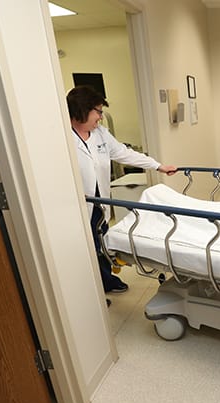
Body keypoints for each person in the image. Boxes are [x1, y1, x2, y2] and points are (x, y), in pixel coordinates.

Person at [67, 85, 177, 295]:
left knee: (101, 241)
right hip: (77, 205)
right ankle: (94, 293)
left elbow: (124, 154)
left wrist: (158, 166)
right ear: (82, 109)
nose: (100, 117)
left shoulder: (100, 134)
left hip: (101, 201)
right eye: (97, 111)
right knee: (85, 249)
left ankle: (107, 280)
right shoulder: (63, 136)